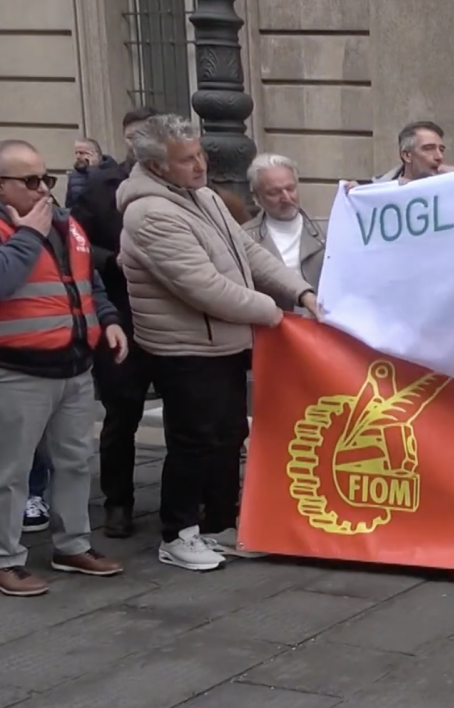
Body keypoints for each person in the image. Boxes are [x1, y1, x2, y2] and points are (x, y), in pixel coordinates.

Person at [118, 114, 322, 571]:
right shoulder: (150, 213)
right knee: (194, 440)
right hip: (185, 348)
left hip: (222, 342)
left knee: (228, 435)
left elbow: (249, 253)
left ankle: (218, 523)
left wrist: (300, 292)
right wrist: (274, 314)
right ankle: (178, 533)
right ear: (156, 167)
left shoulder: (203, 196)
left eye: (200, 155)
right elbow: (205, 288)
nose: (200, 165)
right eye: (186, 160)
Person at [0, 139, 129, 597]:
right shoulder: (27, 229)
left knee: (74, 461)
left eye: (45, 178)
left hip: (74, 365)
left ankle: (72, 544)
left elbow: (86, 281)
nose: (42, 189)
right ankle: (6, 558)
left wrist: (108, 321)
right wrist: (28, 236)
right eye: (30, 180)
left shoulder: (63, 222)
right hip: (18, 369)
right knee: (11, 471)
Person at [70, 105, 157, 539]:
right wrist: (112, 260)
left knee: (188, 412)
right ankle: (118, 502)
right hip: (120, 313)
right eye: (134, 135)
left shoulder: (184, 186)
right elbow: (76, 244)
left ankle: (188, 500)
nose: (140, 143)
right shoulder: (101, 185)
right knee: (122, 413)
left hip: (173, 316)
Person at [243, 153, 325, 291]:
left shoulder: (327, 229)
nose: (286, 198)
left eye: (290, 189)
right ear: (257, 197)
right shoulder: (245, 238)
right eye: (274, 192)